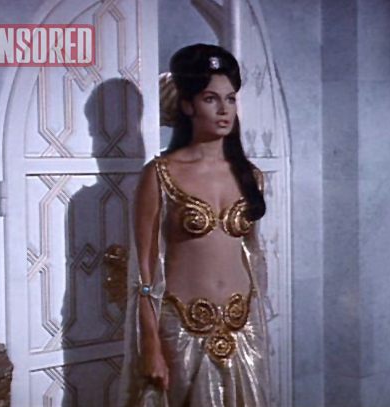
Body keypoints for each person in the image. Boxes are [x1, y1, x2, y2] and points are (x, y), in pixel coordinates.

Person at [128, 43, 271, 407]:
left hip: (243, 328)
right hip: (182, 331)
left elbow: (253, 257)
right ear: (188, 105)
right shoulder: (160, 175)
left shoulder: (250, 176)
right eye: (211, 99)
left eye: (231, 99)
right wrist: (150, 344)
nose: (224, 109)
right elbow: (143, 271)